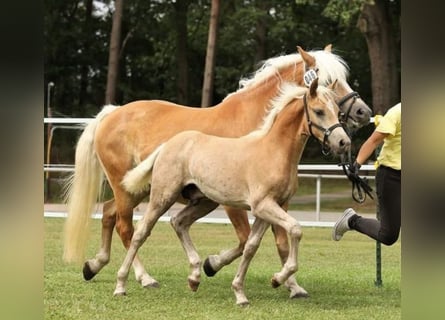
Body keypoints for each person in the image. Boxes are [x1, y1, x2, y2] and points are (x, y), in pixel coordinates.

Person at [332, 102, 401, 245]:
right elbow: (374, 141)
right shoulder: (398, 112)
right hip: (392, 176)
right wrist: (357, 164)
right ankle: (352, 220)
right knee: (388, 236)